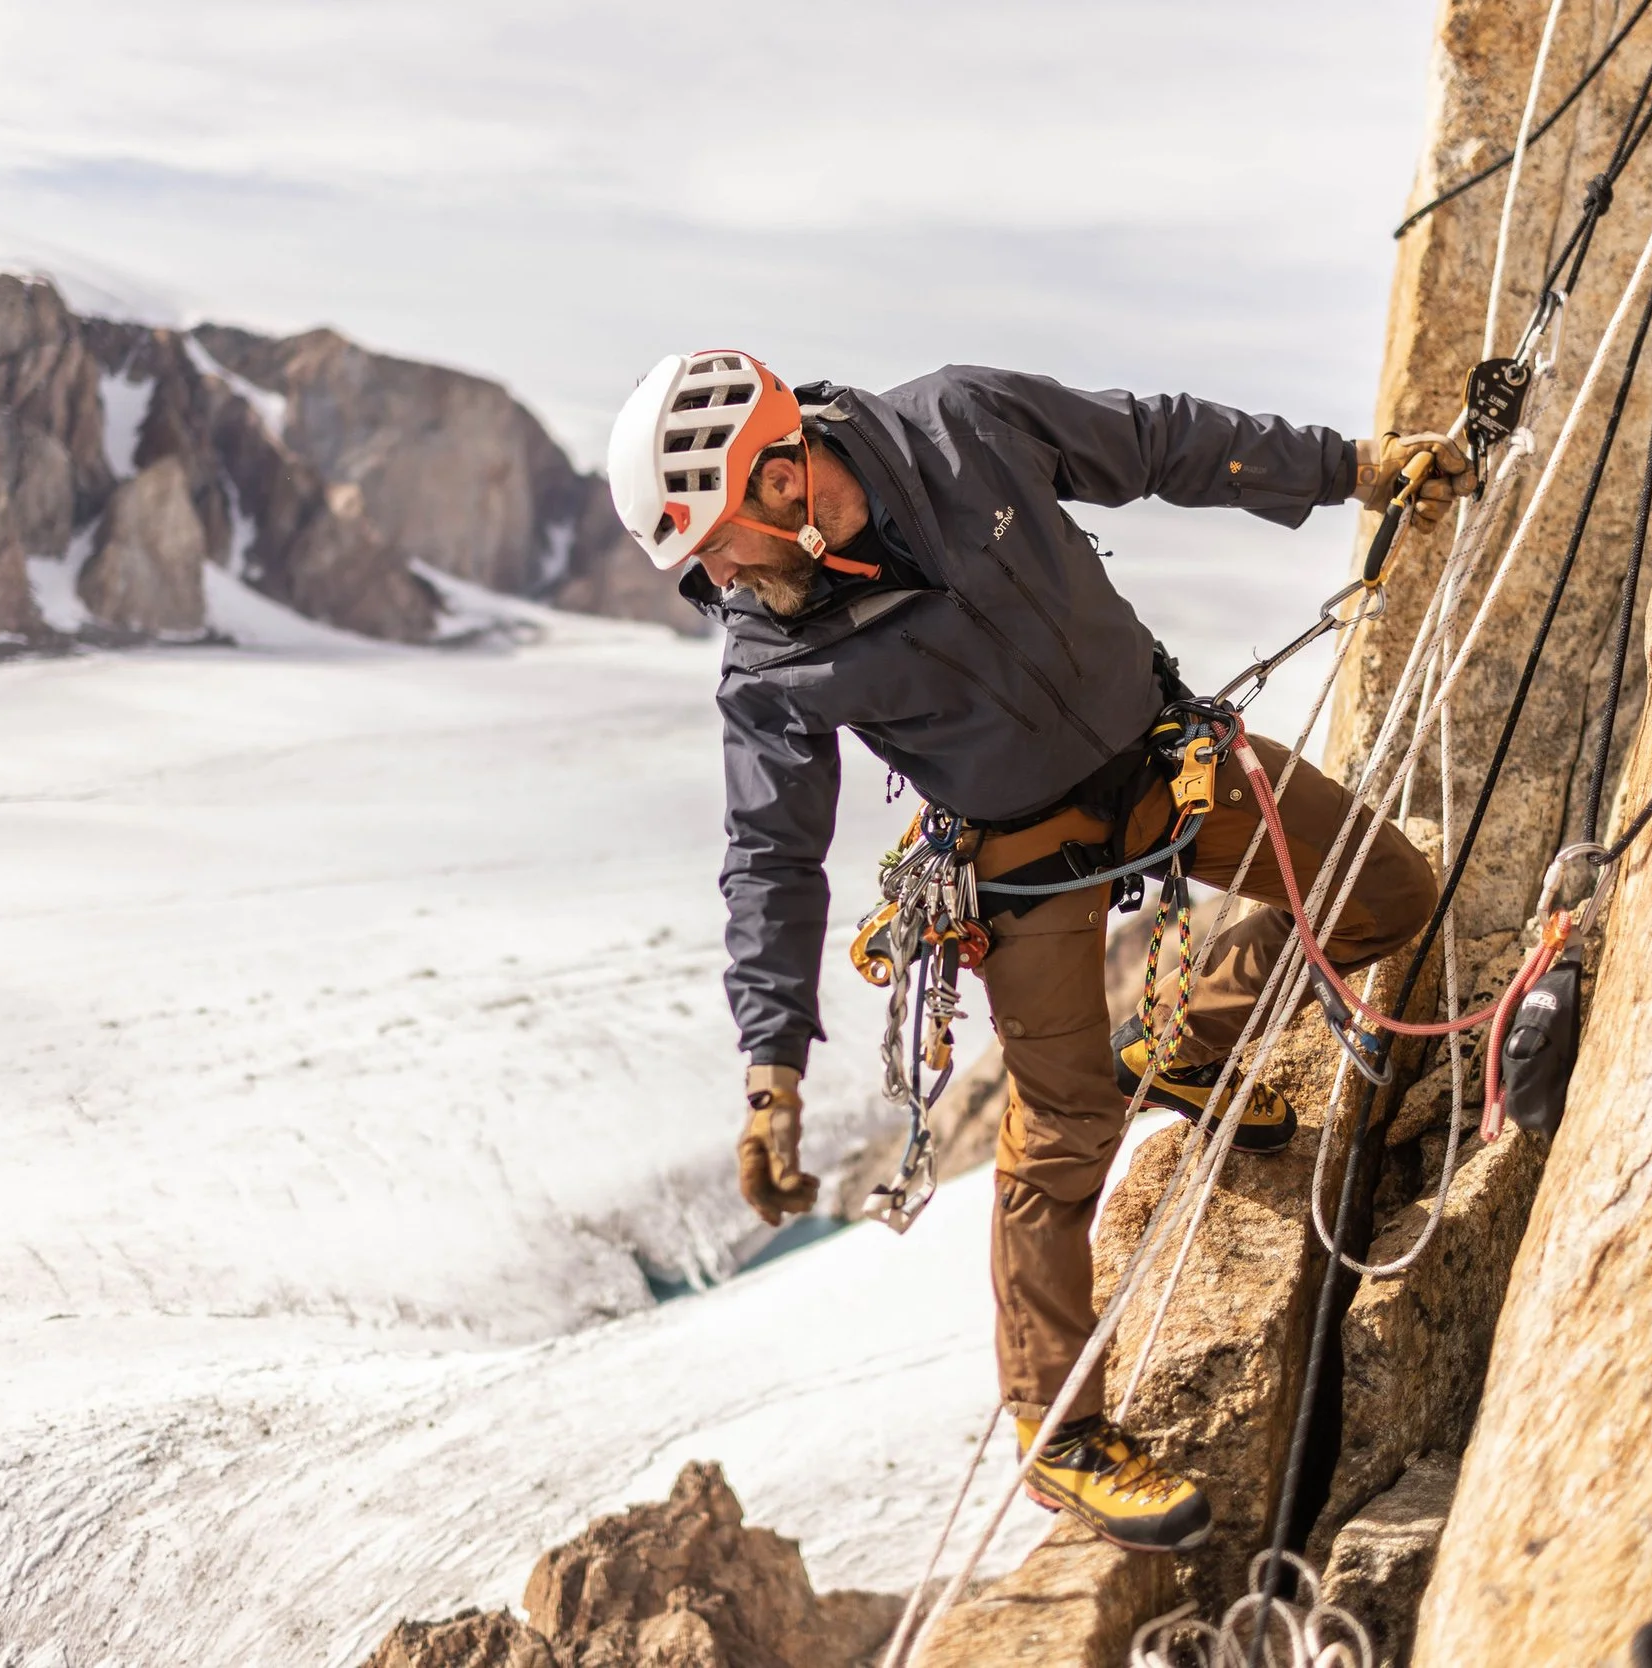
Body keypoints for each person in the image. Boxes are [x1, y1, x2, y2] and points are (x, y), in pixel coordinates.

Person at [604, 351, 1462, 1552]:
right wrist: (771, 1072)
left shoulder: (961, 423)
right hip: (1018, 855)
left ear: (780, 474)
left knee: (1384, 891)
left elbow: (1158, 439)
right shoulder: (767, 659)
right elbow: (770, 860)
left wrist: (1355, 469)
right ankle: (1060, 1432)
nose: (718, 578)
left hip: (1161, 759)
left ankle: (1187, 1043)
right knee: (1061, 1135)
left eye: (717, 545)